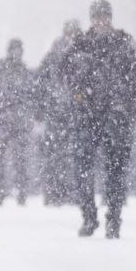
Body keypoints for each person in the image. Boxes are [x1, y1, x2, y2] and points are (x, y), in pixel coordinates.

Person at [63, 0, 136, 238]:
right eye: (97, 18)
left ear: (110, 19)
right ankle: (89, 217)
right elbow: (64, 72)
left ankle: (113, 218)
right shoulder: (81, 44)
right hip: (87, 114)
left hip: (116, 115)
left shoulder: (124, 42)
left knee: (115, 169)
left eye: (104, 17)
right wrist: (79, 94)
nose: (101, 22)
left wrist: (125, 93)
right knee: (83, 168)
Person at [0, 39, 38, 206]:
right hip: (2, 122)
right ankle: (1, 192)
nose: (16, 53)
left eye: (18, 50)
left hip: (18, 123)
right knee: (1, 160)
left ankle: (20, 192)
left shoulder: (24, 73)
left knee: (20, 160)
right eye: (14, 50)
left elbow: (33, 96)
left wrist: (28, 113)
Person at [38, 20, 82, 206]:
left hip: (74, 112)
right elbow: (41, 82)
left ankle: (70, 191)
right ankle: (55, 192)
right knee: (56, 154)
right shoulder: (55, 55)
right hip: (58, 112)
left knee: (73, 154)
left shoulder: (82, 53)